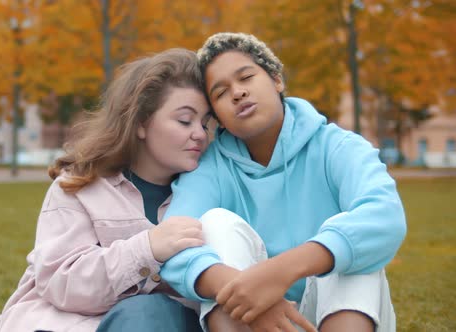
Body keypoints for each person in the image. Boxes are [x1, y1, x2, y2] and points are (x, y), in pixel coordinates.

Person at [159, 32, 407, 332]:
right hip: (252, 319)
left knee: (350, 240)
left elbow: (385, 215)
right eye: (221, 92)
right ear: (219, 117)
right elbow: (172, 245)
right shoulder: (211, 168)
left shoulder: (338, 146)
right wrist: (246, 291)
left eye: (246, 77)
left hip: (337, 314)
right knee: (214, 224)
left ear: (276, 80)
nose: (237, 93)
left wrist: (281, 271)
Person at [0, 48, 212, 332]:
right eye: (185, 120)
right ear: (141, 123)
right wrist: (147, 249)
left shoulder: (209, 197)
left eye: (205, 123)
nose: (200, 133)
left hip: (160, 324)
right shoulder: (78, 186)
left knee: (153, 313)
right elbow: (61, 282)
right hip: (63, 324)